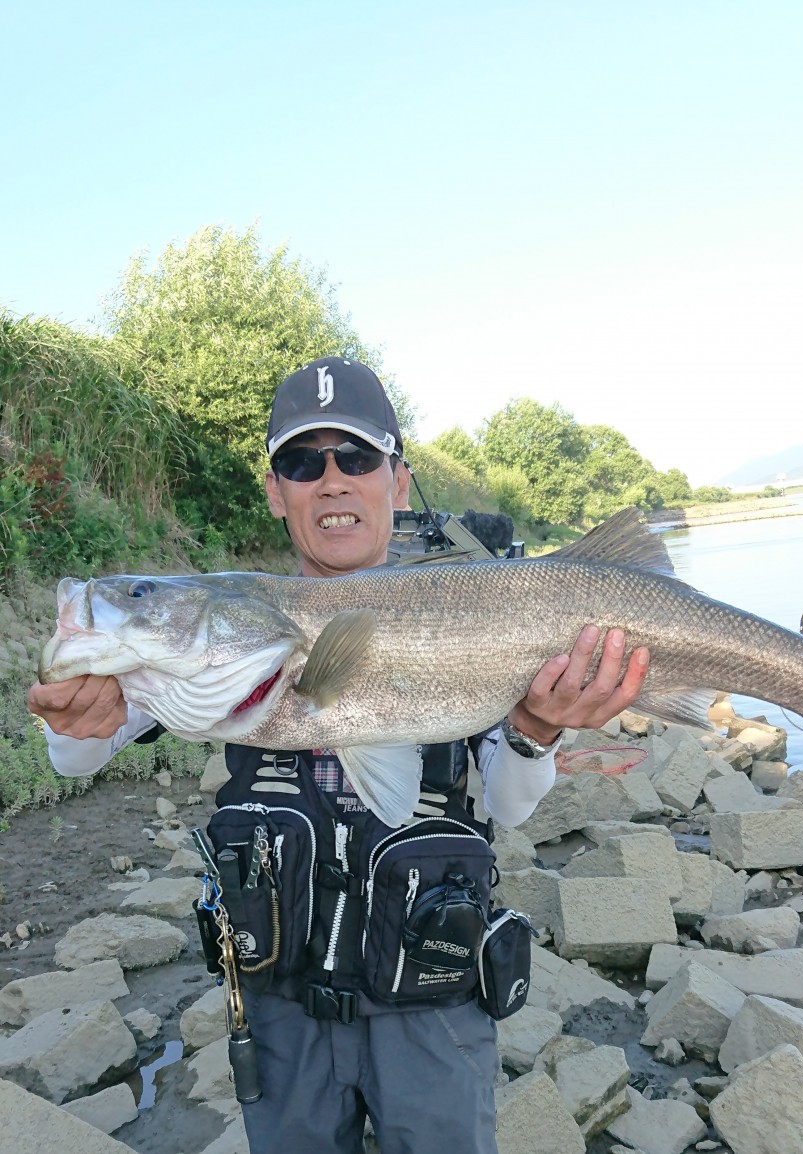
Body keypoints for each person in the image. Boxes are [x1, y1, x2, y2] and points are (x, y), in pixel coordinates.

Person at [28, 356, 651, 1154]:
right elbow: (74, 761)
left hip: (433, 1002)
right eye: (300, 462)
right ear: (275, 490)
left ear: (396, 480)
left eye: (356, 458)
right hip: (280, 1009)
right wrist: (75, 721)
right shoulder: (213, 644)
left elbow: (508, 804)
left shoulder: (477, 610)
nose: (330, 481)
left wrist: (537, 729)